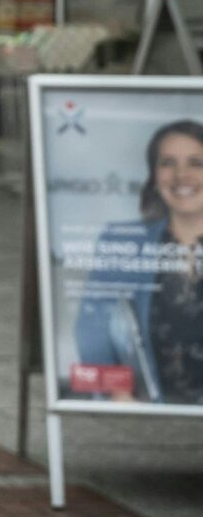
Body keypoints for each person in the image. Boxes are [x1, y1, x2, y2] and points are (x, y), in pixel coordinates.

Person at [72, 119, 203, 404]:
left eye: (196, 163)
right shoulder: (123, 240)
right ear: (154, 176)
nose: (182, 175)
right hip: (150, 406)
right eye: (168, 163)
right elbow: (92, 328)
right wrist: (115, 389)